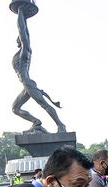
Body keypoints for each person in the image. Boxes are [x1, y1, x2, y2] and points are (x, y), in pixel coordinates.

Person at [11, 5, 66, 133]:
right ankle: (36, 122)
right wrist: (23, 16)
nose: (17, 40)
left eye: (19, 38)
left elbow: (23, 31)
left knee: (44, 105)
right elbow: (24, 32)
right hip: (26, 85)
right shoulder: (20, 53)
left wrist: (20, 12)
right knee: (15, 108)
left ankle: (61, 125)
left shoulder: (25, 53)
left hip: (28, 83)